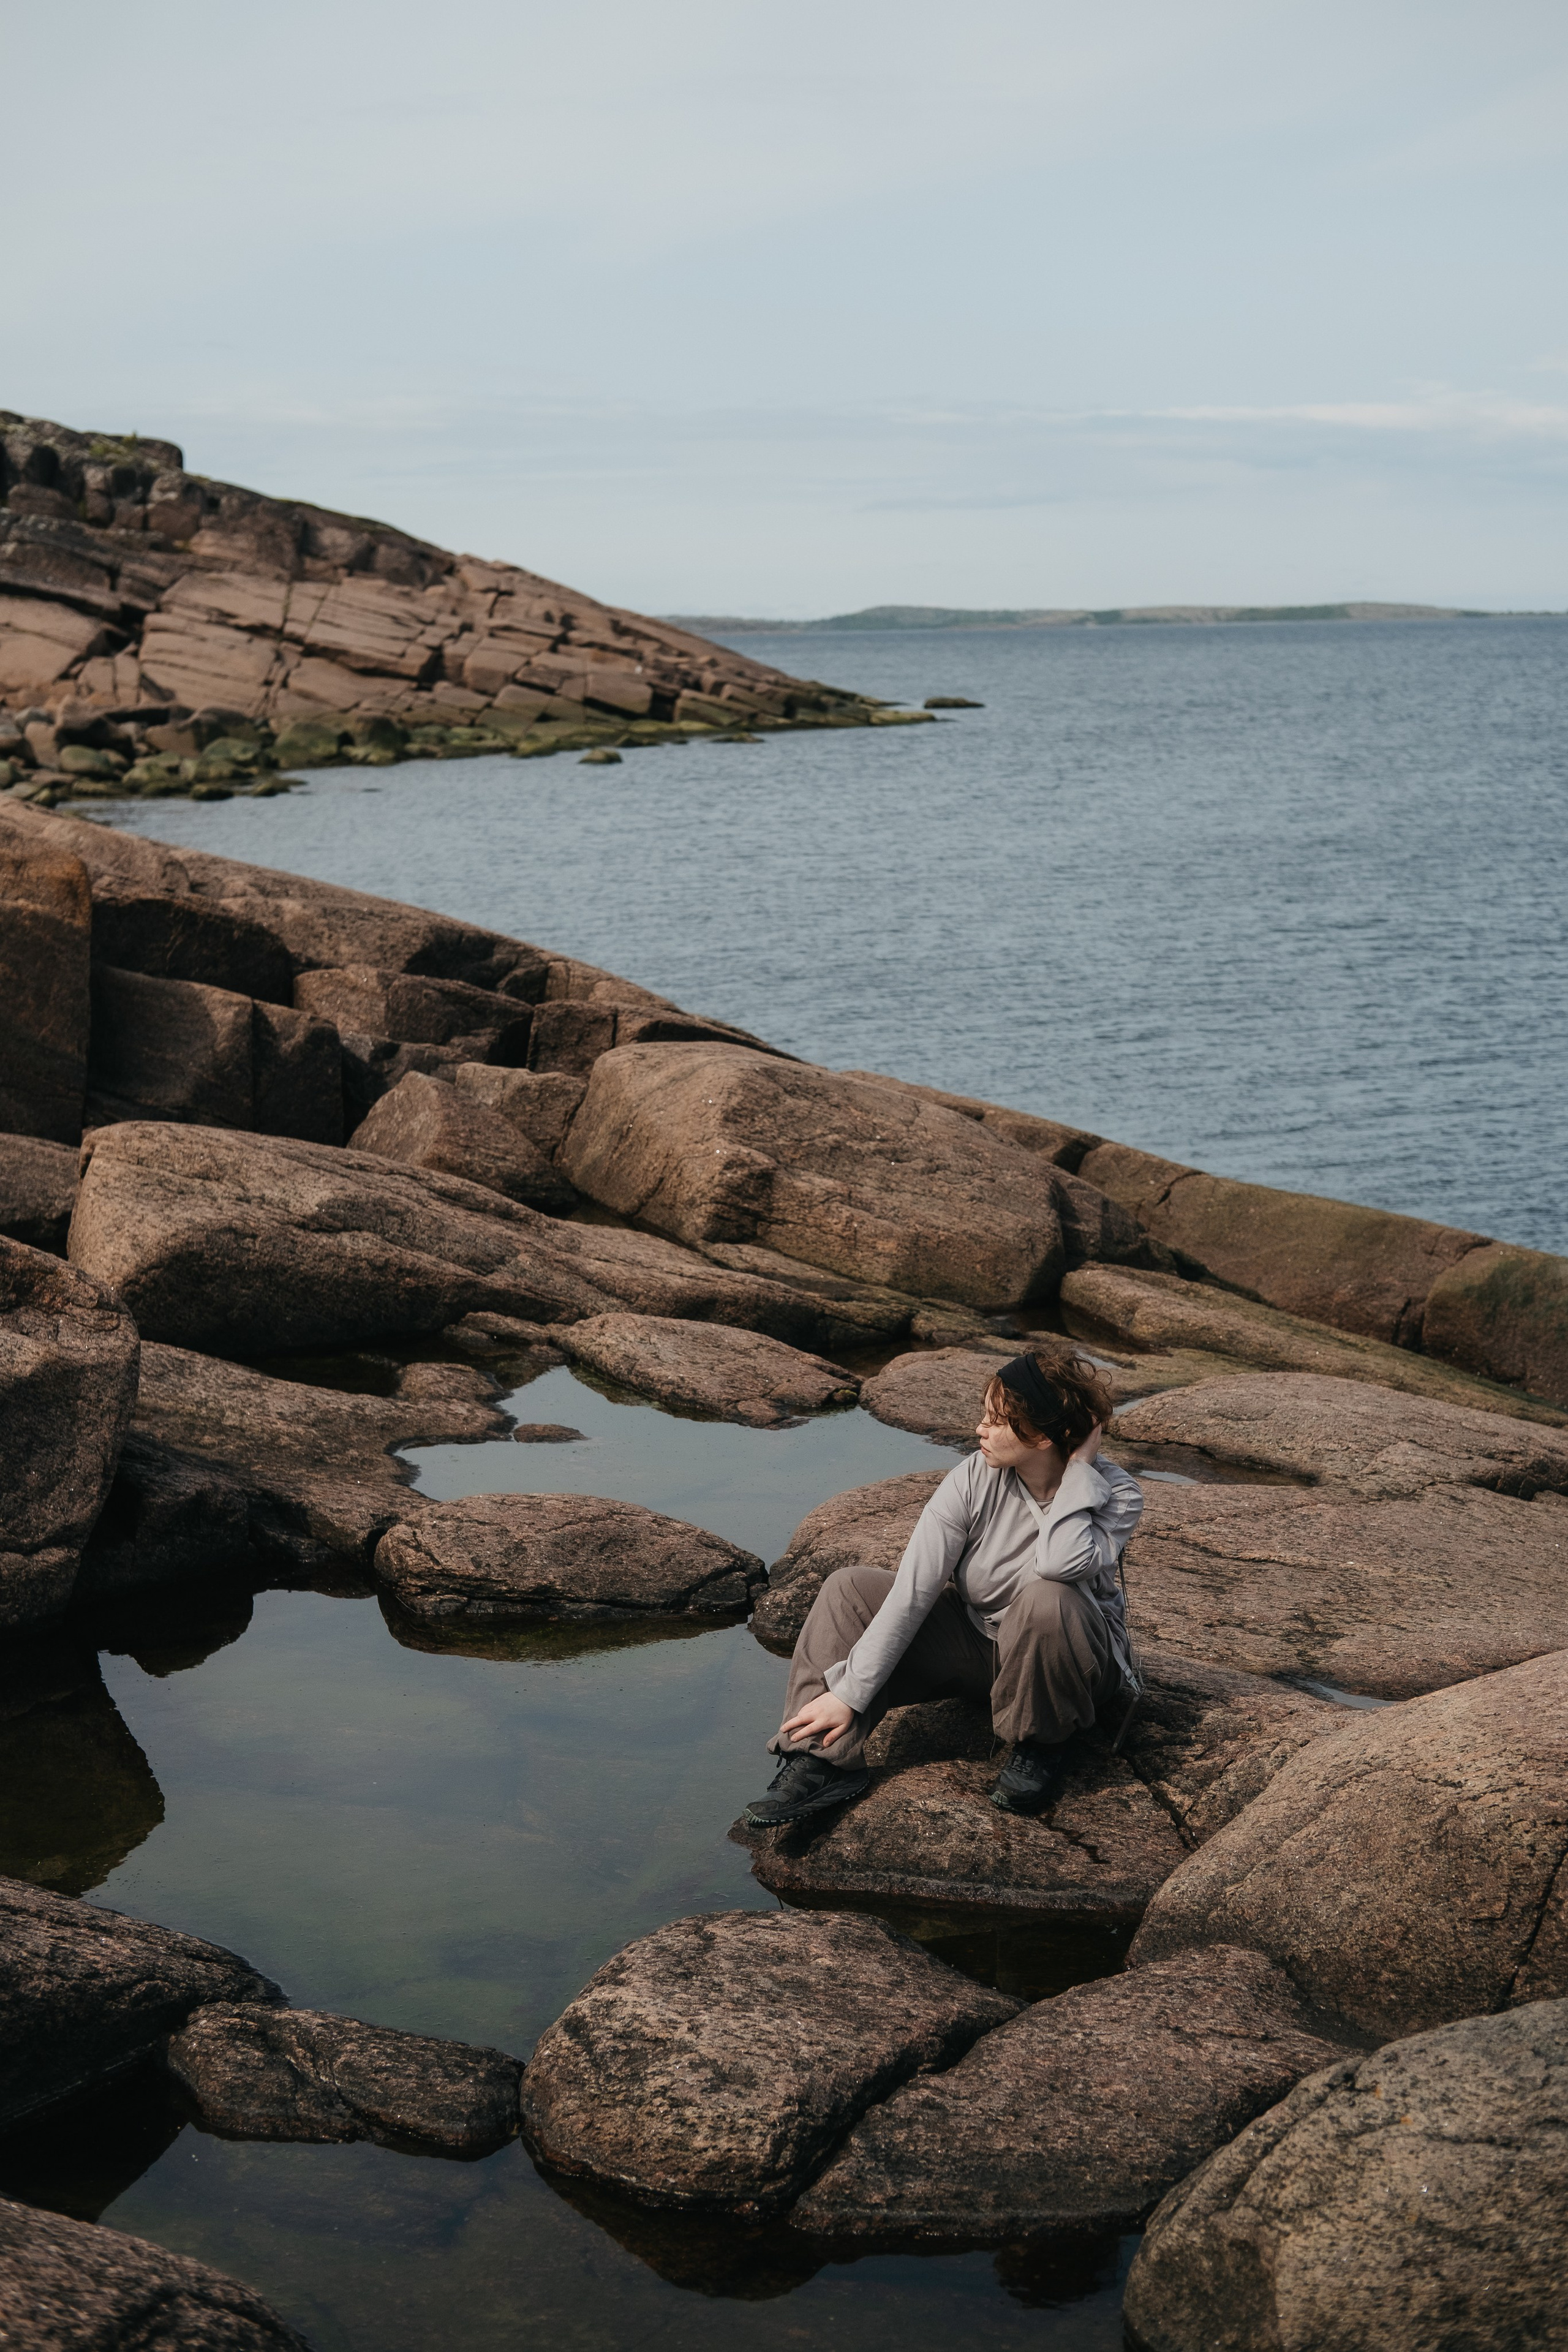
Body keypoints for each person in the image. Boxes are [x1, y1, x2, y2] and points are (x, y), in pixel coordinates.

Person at [744, 1343, 1142, 1825]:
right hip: (983, 1649)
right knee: (848, 1587)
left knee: (1046, 1600)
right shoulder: (974, 1477)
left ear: (1042, 1437)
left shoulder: (1115, 1495)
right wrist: (849, 1693)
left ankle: (1040, 1744)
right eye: (986, 1415)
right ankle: (819, 1755)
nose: (981, 1429)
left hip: (1070, 1664)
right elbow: (915, 1589)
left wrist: (1078, 1476)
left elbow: (1060, 1564)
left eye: (997, 1420)